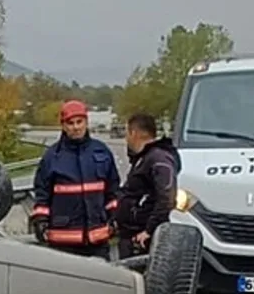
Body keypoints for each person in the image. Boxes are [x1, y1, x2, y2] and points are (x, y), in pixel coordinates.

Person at [28, 100, 120, 257]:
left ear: (86, 122)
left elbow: (113, 191)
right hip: (63, 245)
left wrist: (116, 218)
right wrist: (41, 222)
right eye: (70, 123)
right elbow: (42, 195)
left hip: (98, 241)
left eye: (80, 122)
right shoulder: (52, 157)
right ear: (63, 126)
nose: (76, 127)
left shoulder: (102, 152)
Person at [114, 113, 181, 259]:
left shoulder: (159, 158)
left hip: (143, 239)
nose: (126, 138)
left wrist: (149, 231)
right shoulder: (143, 158)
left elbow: (167, 197)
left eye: (127, 133)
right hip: (130, 234)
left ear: (134, 133)